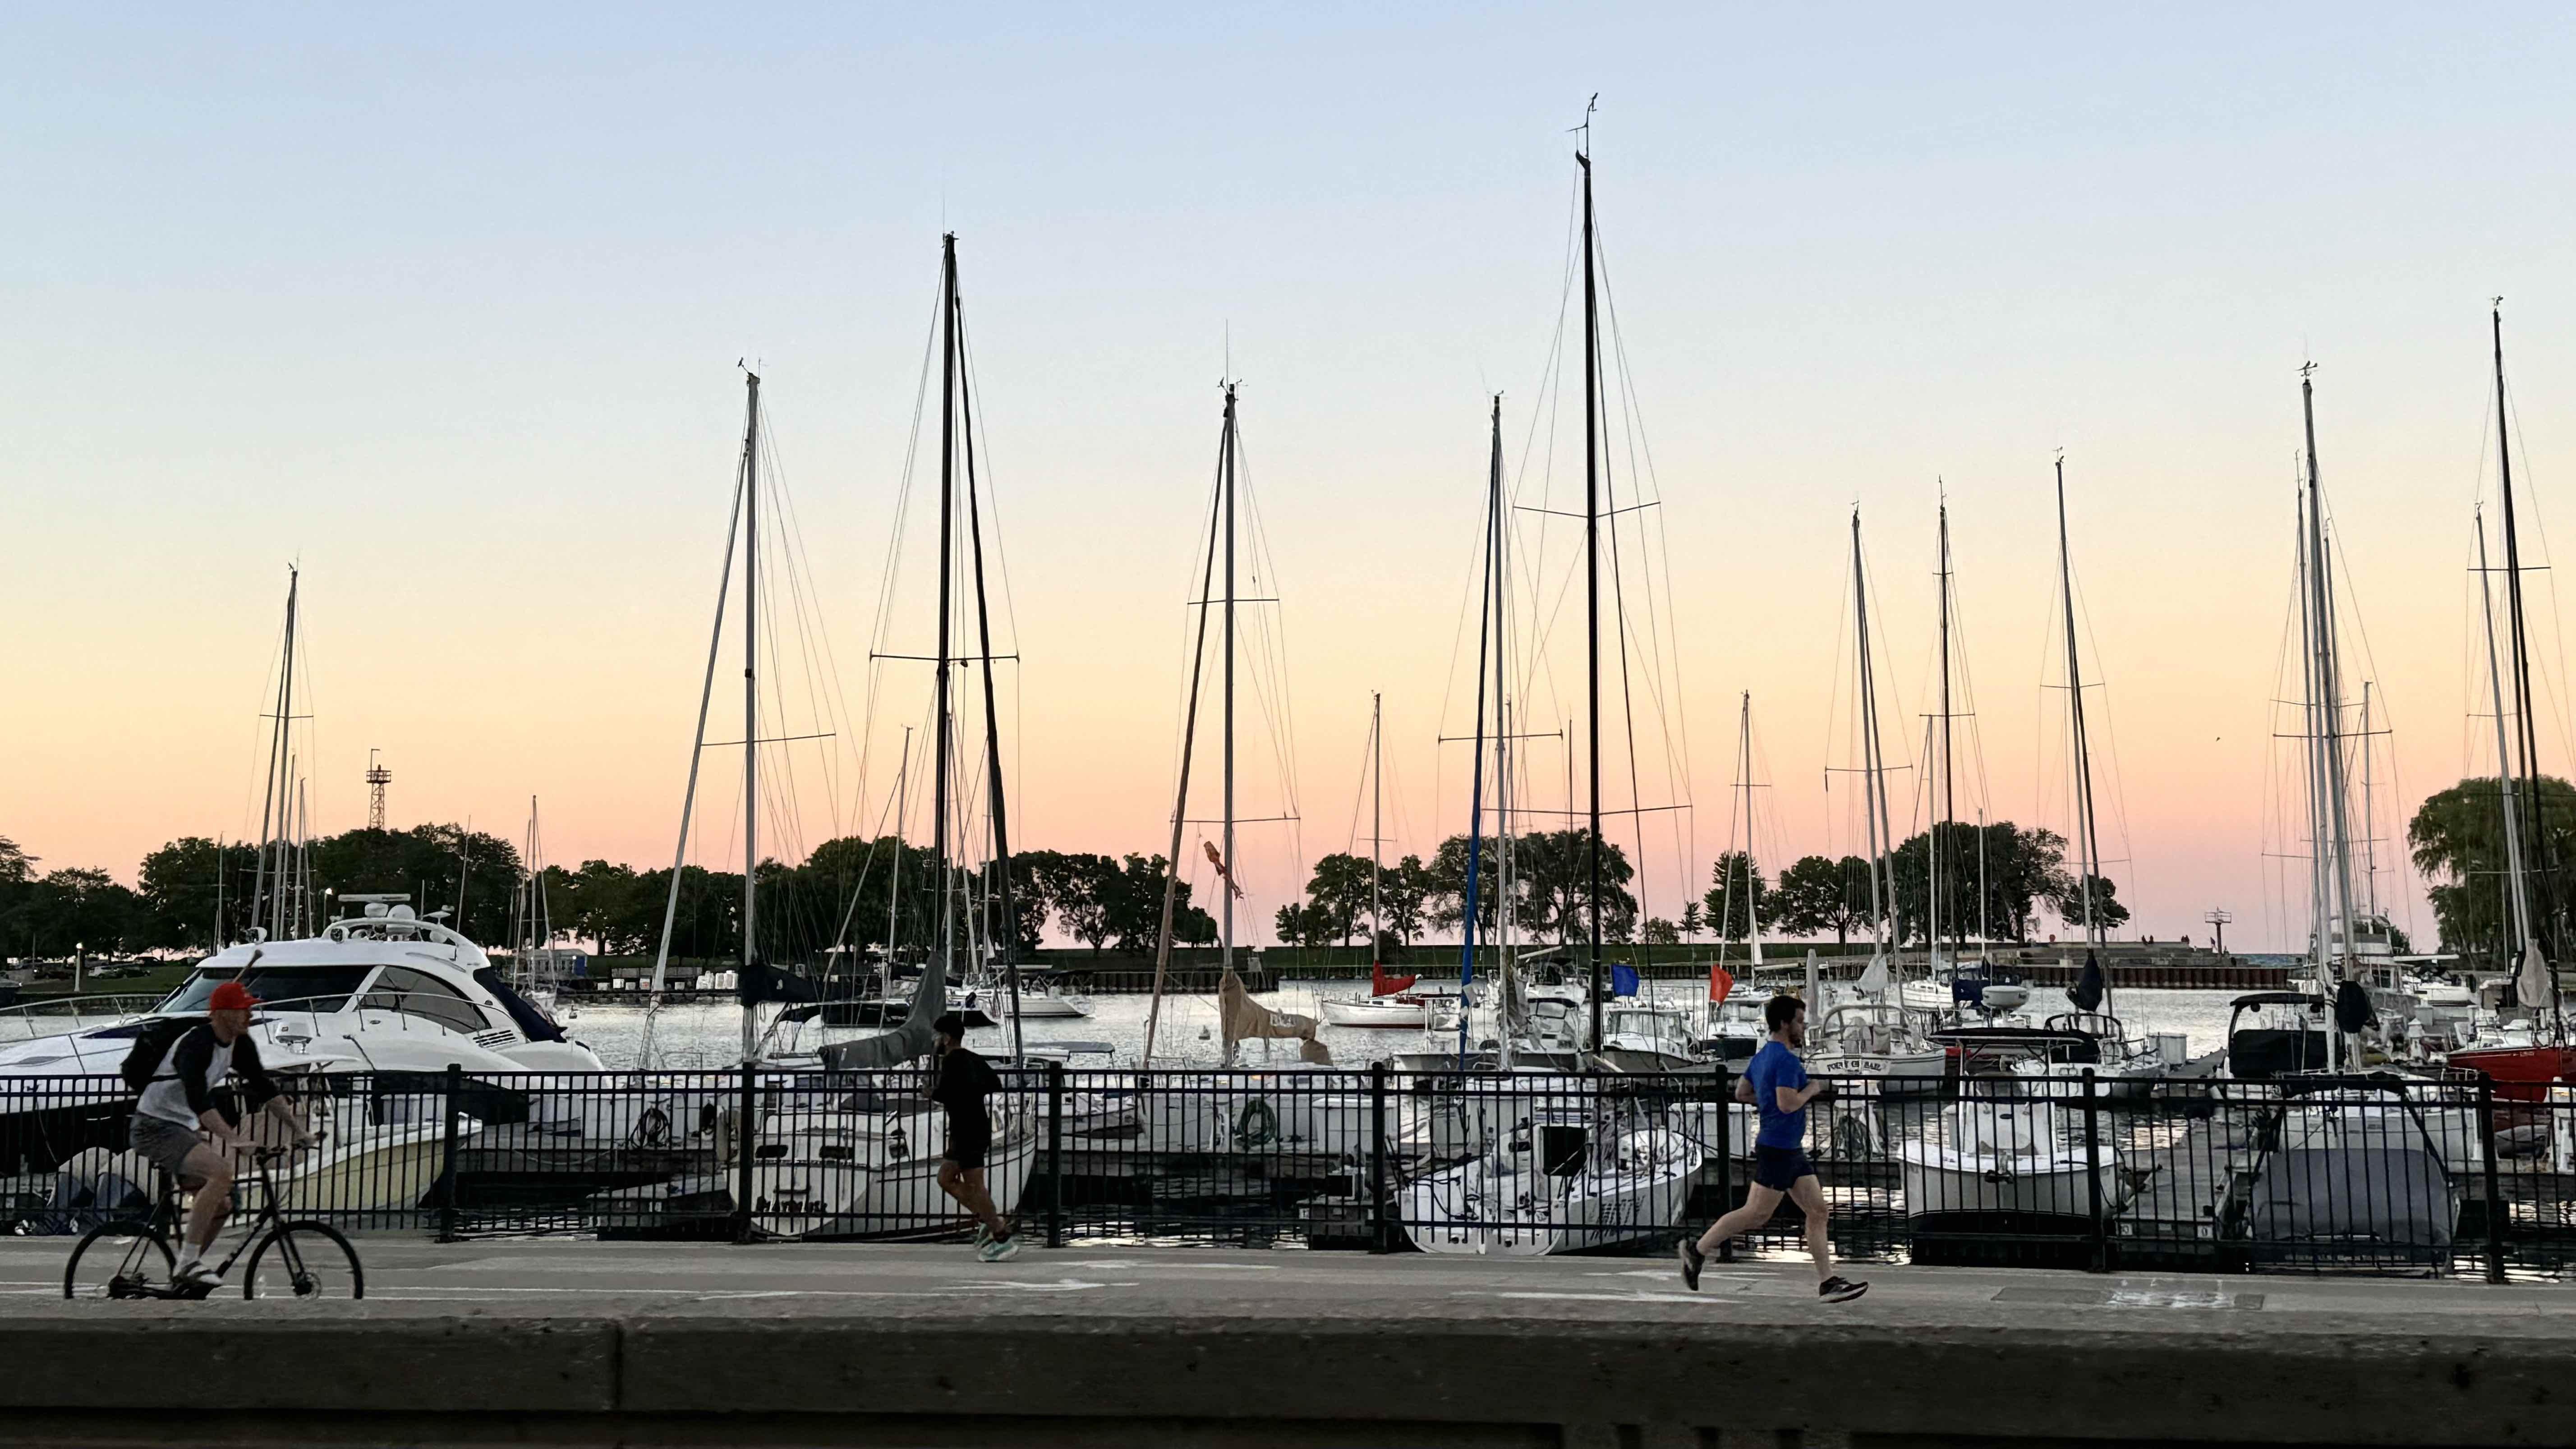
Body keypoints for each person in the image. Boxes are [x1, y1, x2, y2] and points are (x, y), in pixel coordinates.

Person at [1678, 993, 1866, 1303]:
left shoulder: (1763, 1056)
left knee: (1818, 1211)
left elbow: (1741, 1092)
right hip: (1779, 1149)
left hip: (1787, 1149)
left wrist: (1768, 1102)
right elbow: (1787, 1102)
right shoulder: (1786, 1060)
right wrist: (1812, 1088)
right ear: (1784, 1023)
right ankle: (1696, 1251)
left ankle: (1828, 1282)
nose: (1804, 1028)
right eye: (1801, 1022)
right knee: (1755, 1214)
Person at [129, 981, 313, 1287]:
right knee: (221, 1172)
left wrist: (300, 1131)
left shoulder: (240, 1044)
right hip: (154, 1126)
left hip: (182, 1127)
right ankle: (187, 1264)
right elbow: (199, 1101)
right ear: (224, 1013)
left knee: (225, 1204)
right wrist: (235, 1138)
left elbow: (265, 1088)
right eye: (244, 1010)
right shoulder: (195, 1045)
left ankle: (189, 1268)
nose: (250, 1016)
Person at [926, 1012, 1017, 1261]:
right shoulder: (973, 1059)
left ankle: (1000, 1234)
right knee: (946, 1178)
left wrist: (929, 1092)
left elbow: (946, 1093)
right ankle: (990, 1220)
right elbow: (994, 1083)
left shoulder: (953, 1061)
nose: (934, 1040)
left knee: (975, 1185)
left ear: (946, 1038)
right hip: (970, 1127)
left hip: (968, 1130)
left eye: (937, 1036)